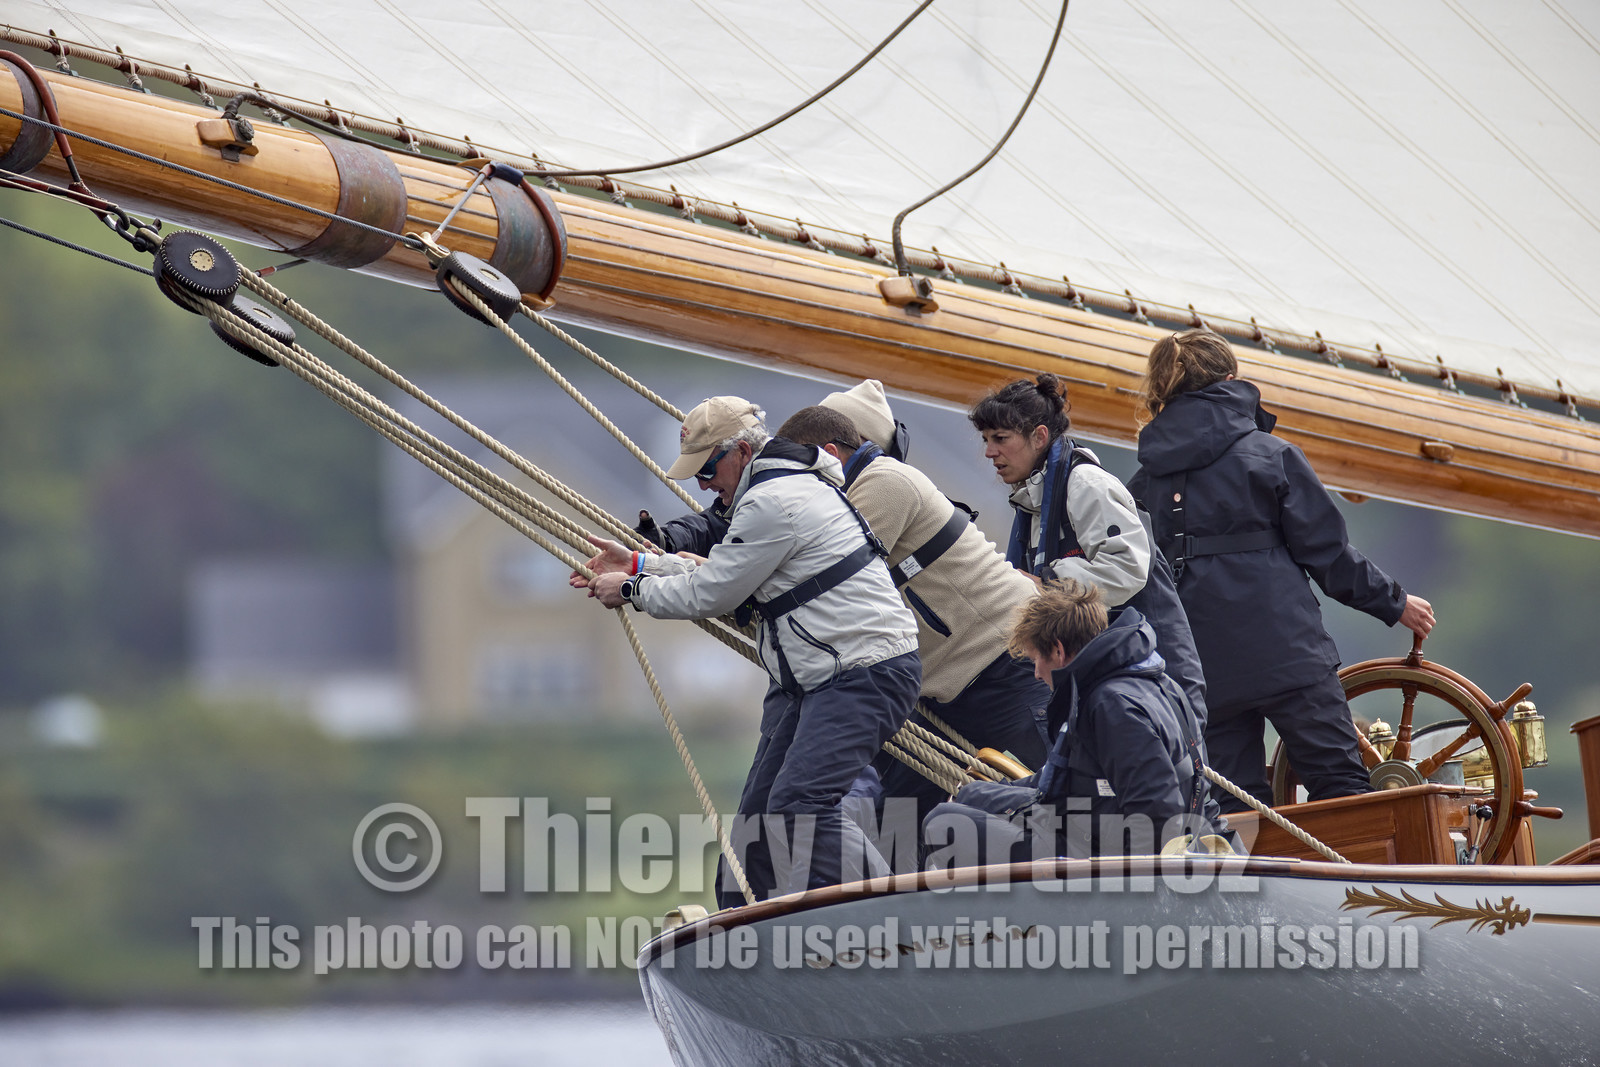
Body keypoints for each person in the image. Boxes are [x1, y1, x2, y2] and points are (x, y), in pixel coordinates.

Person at [573, 396, 922, 908]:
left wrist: (629, 590)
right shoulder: (773, 492)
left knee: (802, 806)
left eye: (707, 468)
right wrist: (639, 564)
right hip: (822, 679)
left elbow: (711, 594)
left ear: (740, 451)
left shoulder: (773, 500)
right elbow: (719, 573)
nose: (703, 485)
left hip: (865, 673)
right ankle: (750, 927)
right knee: (760, 818)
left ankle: (895, 917)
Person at [1127, 329, 1435, 812]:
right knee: (1342, 790)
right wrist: (1395, 603)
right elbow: (1329, 555)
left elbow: (1135, 576)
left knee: (1236, 806)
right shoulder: (1272, 456)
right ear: (1231, 381)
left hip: (1205, 669)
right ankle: (1364, 887)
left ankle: (1257, 889)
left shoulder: (1143, 481)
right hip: (1288, 656)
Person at [774, 395, 1050, 827]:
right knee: (897, 821)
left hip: (1006, 664)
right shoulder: (836, 500)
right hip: (943, 690)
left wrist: (706, 579)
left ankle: (1143, 870)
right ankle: (902, 896)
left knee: (1076, 790)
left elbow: (811, 571)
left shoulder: (884, 483)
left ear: (837, 449)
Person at [923, 580, 1231, 862]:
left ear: (1057, 650)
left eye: (1035, 660)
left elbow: (1158, 821)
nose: (1036, 674)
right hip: (1098, 835)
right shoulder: (1152, 682)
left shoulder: (1111, 707)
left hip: (1108, 866)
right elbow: (1066, 781)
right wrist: (980, 794)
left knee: (944, 823)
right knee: (967, 802)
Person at [967, 373, 1208, 724]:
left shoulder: (1085, 485)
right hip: (1119, 680)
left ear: (1039, 436)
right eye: (987, 440)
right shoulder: (1036, 501)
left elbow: (1127, 568)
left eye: (1001, 439)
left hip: (1156, 679)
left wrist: (1046, 582)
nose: (990, 452)